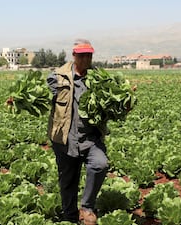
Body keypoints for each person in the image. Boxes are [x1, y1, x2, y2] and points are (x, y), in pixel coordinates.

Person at [46, 39, 108, 225]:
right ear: (74, 55)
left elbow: (112, 105)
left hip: (91, 138)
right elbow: (39, 97)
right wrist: (16, 100)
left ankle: (87, 207)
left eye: (89, 55)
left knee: (100, 164)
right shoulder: (57, 76)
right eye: (82, 55)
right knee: (68, 181)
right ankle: (70, 217)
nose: (86, 58)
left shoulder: (99, 78)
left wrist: (126, 103)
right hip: (64, 138)